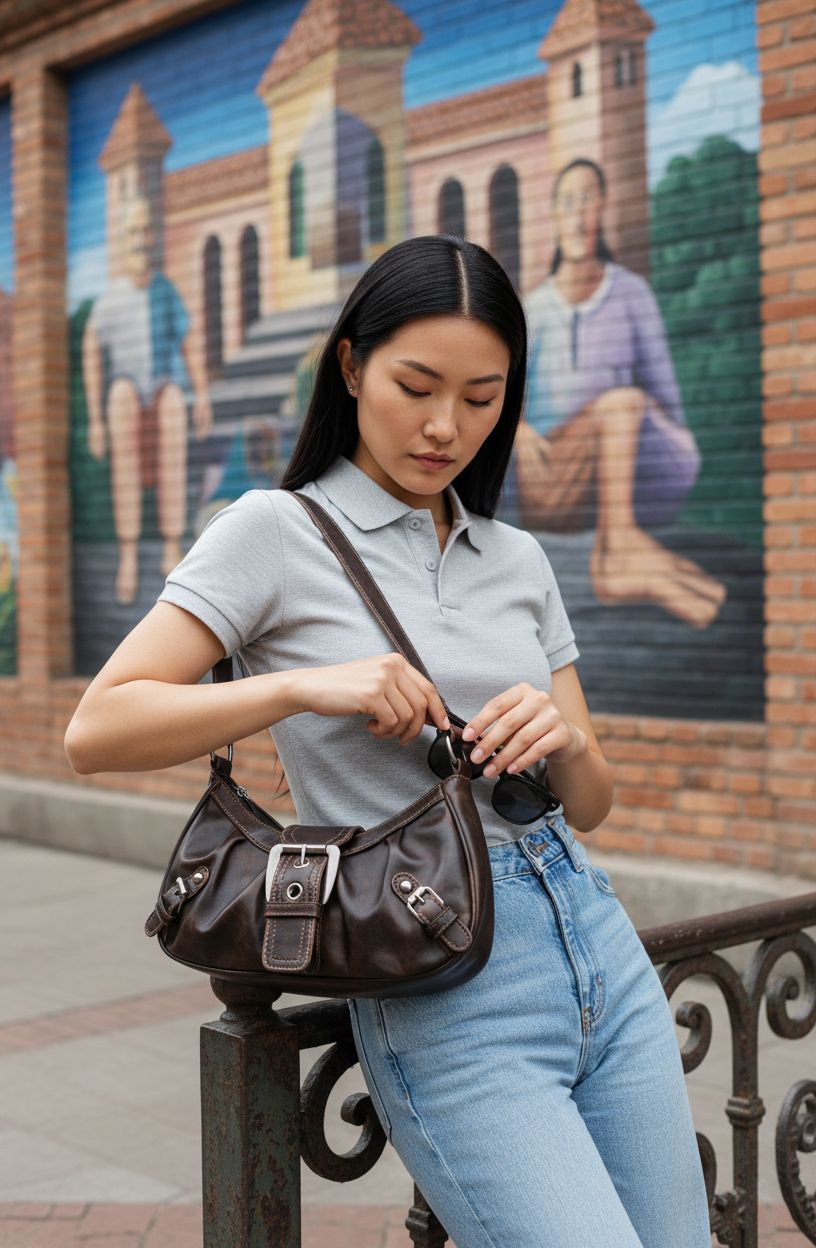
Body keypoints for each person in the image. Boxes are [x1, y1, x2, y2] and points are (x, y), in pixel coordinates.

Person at [64, 234, 712, 1248]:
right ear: (352, 364)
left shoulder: (518, 555)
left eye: (482, 396)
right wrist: (304, 685)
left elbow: (592, 803)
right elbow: (97, 729)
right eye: (416, 385)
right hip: (447, 986)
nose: (445, 425)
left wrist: (569, 743)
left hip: (599, 946)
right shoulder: (272, 532)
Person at [517, 157, 726, 630]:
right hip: (551, 480)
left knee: (708, 595)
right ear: (552, 215)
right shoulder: (532, 311)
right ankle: (619, 551)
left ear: (603, 210)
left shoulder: (632, 295)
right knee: (622, 402)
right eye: (568, 201)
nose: (578, 213)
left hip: (617, 481)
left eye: (589, 200)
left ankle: (631, 550)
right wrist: (518, 428)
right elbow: (492, 398)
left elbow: (668, 401)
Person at [82, 195, 213, 605]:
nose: (140, 239)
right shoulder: (112, 298)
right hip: (126, 388)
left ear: (153, 236)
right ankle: (129, 553)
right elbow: (91, 346)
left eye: (145, 231)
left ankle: (172, 542)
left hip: (161, 388)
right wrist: (95, 420)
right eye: (132, 232)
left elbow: (189, 342)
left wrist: (203, 396)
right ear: (123, 240)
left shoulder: (165, 291)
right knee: (120, 399)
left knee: (174, 401)